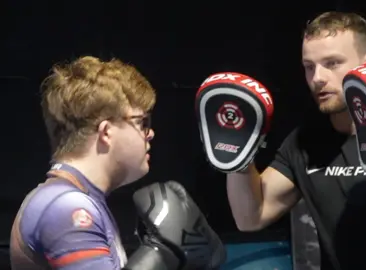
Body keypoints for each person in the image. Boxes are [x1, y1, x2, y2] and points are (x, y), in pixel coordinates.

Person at [199, 12, 366, 270]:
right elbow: (251, 218)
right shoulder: (305, 141)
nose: (317, 78)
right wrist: (239, 157)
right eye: (309, 67)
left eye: (332, 64)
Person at [10, 56, 226, 270]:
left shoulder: (76, 199)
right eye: (141, 122)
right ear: (106, 132)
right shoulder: (67, 207)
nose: (150, 133)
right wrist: (161, 254)